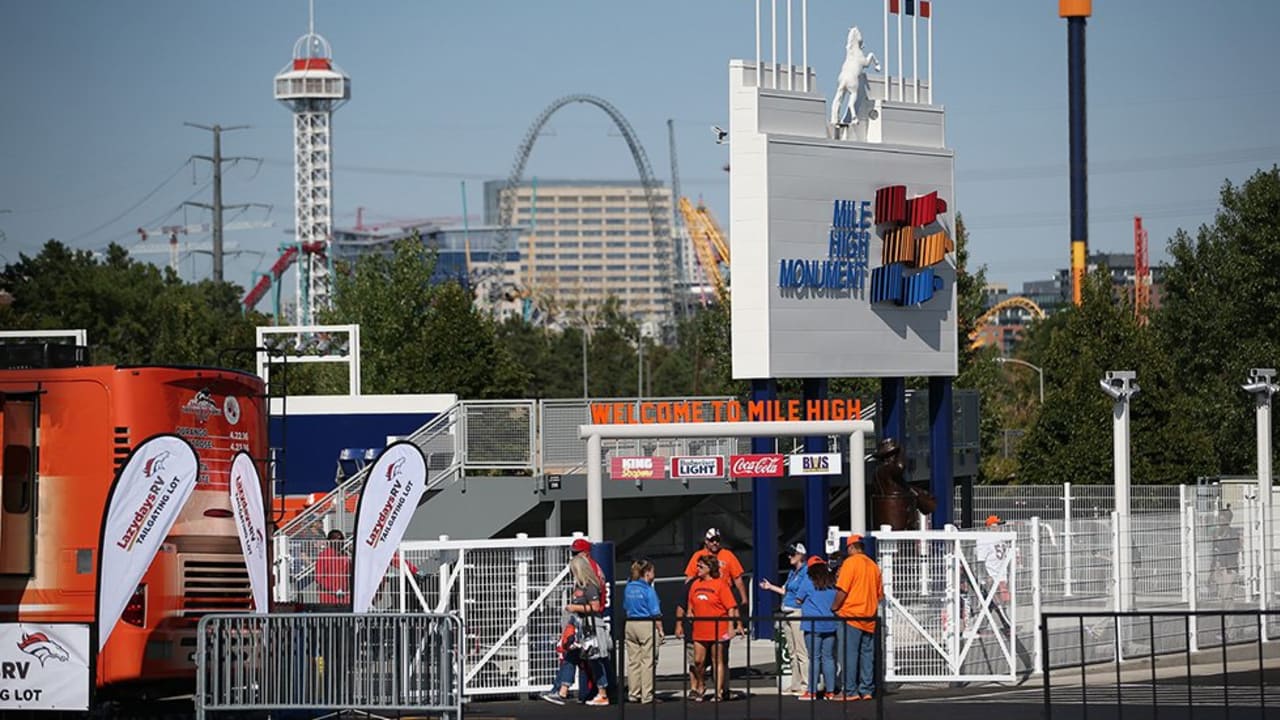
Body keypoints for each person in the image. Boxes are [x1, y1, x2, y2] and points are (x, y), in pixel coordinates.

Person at [832, 535, 883, 701]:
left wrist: (834, 607)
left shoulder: (850, 563)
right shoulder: (873, 566)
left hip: (851, 615)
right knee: (867, 654)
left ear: (851, 547)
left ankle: (850, 691)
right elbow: (879, 595)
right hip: (869, 615)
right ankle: (867, 690)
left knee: (849, 654)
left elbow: (842, 590)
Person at [758, 542, 810, 696]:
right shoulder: (792, 573)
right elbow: (785, 590)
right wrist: (770, 587)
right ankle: (795, 684)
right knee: (792, 651)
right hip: (787, 612)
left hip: (796, 612)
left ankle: (805, 684)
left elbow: (802, 593)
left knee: (801, 651)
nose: (789, 557)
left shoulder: (805, 572)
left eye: (792, 554)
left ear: (800, 555)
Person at [686, 556, 739, 702]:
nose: (698, 569)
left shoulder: (720, 585)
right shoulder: (695, 584)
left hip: (718, 627)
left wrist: (731, 627)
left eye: (701, 566)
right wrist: (690, 611)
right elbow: (690, 602)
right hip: (700, 629)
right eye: (698, 566)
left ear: (710, 568)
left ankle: (718, 692)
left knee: (718, 660)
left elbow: (731, 607)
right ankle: (701, 684)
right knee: (698, 661)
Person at [566, 554, 610, 706]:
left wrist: (574, 607)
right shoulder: (578, 586)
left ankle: (603, 693)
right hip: (582, 626)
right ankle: (562, 689)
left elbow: (596, 607)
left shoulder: (590, 586)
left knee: (595, 659)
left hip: (592, 626)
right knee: (580, 657)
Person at [795, 557, 838, 701]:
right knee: (828, 657)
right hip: (830, 624)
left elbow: (798, 599)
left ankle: (812, 691)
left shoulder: (808, 581)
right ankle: (830, 691)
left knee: (814, 658)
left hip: (812, 625)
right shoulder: (832, 582)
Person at [623, 559, 662, 704]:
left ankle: (634, 693)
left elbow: (625, 606)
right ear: (646, 573)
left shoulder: (629, 587)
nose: (654, 574)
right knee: (648, 660)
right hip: (646, 623)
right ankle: (647, 695)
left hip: (630, 623)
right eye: (652, 571)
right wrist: (660, 629)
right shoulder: (648, 589)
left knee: (633, 660)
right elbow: (655, 612)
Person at [315, 529, 351, 608]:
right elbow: (319, 577)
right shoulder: (324, 555)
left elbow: (349, 575)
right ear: (330, 541)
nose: (339, 542)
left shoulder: (345, 555)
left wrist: (346, 589)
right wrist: (334, 589)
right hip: (328, 597)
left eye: (341, 539)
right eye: (336, 539)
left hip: (345, 596)